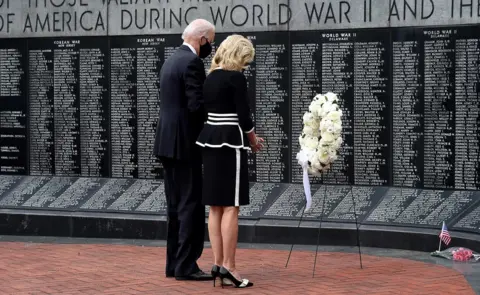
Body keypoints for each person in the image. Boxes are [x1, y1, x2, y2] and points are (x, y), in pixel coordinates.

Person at [195, 34, 264, 288]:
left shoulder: (210, 76)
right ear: (239, 55)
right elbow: (244, 117)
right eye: (246, 59)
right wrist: (254, 140)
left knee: (214, 205)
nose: (246, 65)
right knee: (231, 206)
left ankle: (217, 263)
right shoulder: (236, 78)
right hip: (230, 142)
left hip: (209, 140)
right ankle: (230, 268)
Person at [153, 19, 215, 281]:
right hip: (185, 144)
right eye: (210, 41)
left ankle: (173, 264)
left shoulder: (170, 60)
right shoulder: (192, 63)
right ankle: (186, 266)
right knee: (190, 204)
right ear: (201, 39)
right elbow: (195, 106)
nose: (210, 46)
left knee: (174, 205)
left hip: (166, 142)